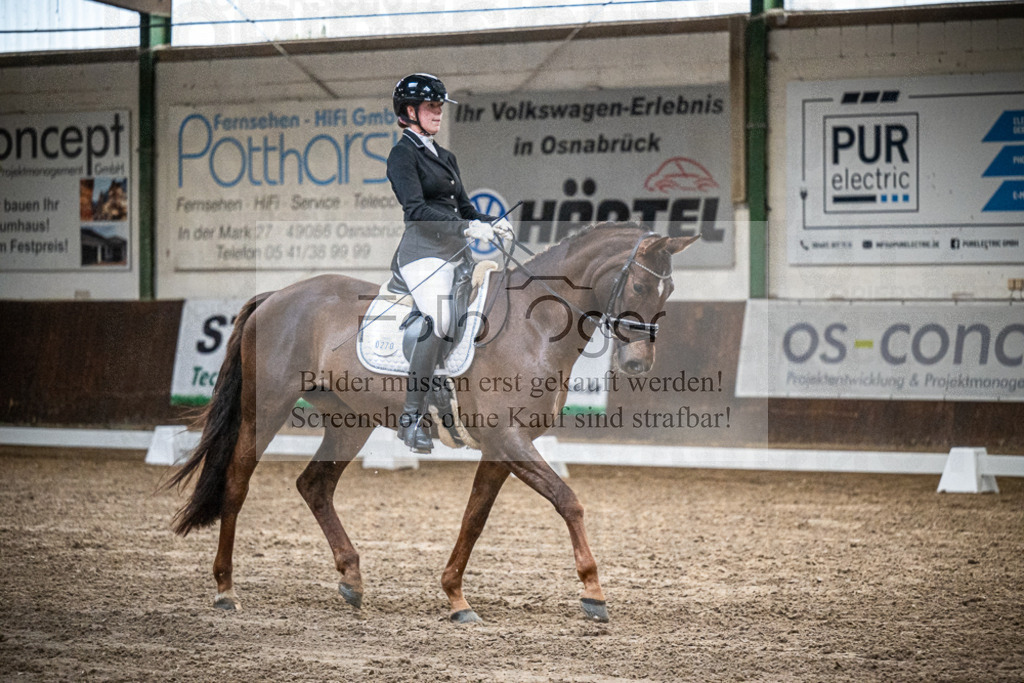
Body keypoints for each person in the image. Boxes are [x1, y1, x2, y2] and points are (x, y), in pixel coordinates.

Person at [386, 73, 513, 453]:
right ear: (410, 112)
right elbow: (417, 210)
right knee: (439, 320)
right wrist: (465, 228)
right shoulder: (402, 154)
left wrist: (491, 222)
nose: (439, 112)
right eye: (431, 106)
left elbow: (467, 208)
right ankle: (411, 419)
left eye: (440, 106)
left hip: (456, 254)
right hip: (422, 252)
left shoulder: (446, 157)